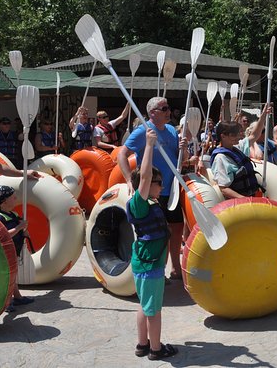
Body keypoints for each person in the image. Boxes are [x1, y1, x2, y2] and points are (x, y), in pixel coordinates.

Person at [118, 97, 187, 281]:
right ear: (152, 113)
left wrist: (183, 149)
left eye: (168, 107)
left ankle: (175, 267)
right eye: (164, 108)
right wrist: (129, 180)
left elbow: (179, 159)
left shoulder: (172, 130)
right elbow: (122, 154)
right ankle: (160, 271)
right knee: (160, 232)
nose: (168, 111)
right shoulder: (144, 131)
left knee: (177, 228)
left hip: (172, 189)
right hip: (154, 190)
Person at [126, 127, 178, 360]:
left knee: (144, 306)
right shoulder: (139, 203)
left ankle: (142, 344)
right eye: (158, 182)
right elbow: (145, 176)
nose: (161, 186)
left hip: (146, 264)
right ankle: (156, 350)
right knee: (154, 311)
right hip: (149, 266)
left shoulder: (150, 202)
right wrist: (148, 145)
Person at [211, 104, 271, 199]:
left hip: (249, 198)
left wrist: (263, 116)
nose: (238, 136)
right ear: (223, 136)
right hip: (237, 204)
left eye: (237, 133)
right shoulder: (220, 158)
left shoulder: (238, 147)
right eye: (233, 134)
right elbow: (224, 188)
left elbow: (254, 135)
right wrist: (245, 200)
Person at [0, 185, 35, 312]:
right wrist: (19, 228)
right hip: (5, 252)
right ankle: (7, 301)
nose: (16, 198)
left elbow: (18, 230)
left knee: (13, 274)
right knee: (8, 276)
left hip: (15, 249)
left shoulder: (13, 214)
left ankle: (17, 297)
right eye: (12, 197)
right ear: (4, 201)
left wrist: (23, 232)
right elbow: (4, 235)